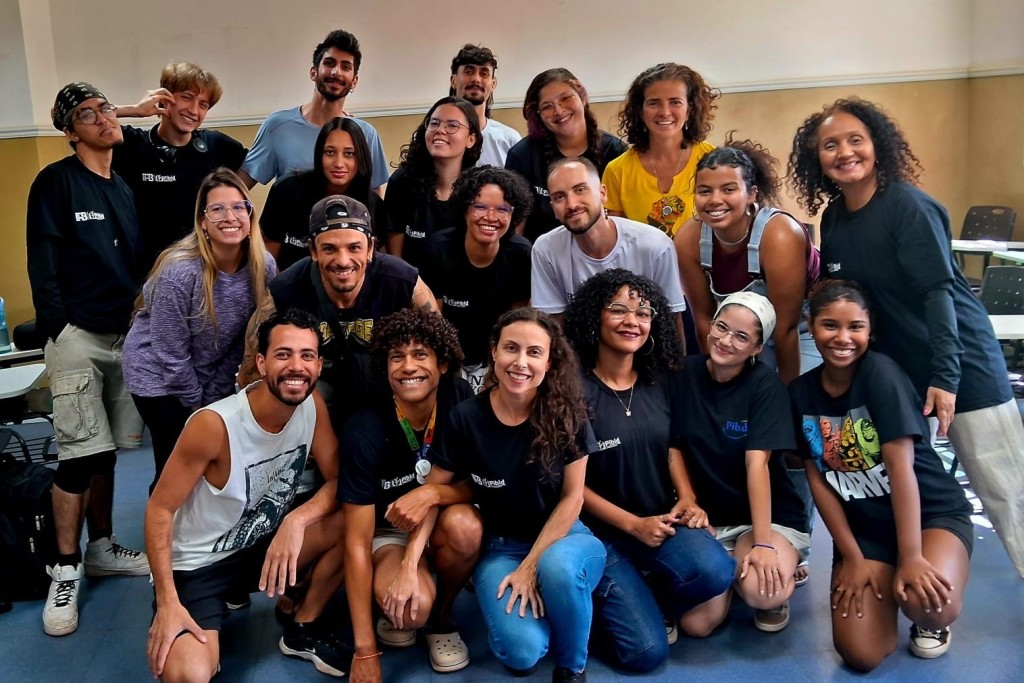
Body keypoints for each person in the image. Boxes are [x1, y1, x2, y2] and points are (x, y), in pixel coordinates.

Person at [788, 96, 1024, 578]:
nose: (844, 152)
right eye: (830, 145)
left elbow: (939, 294)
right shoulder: (834, 219)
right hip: (899, 377)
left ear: (878, 144)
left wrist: (946, 378)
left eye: (855, 140)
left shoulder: (909, 207)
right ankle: (916, 581)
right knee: (914, 484)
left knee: (1007, 494)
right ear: (817, 160)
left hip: (961, 368)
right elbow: (847, 299)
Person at [145, 309, 349, 681]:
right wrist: (167, 601)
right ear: (262, 362)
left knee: (353, 516)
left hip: (258, 548)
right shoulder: (213, 425)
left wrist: (295, 520)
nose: (296, 366)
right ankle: (203, 612)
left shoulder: (312, 405)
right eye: (283, 354)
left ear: (319, 366)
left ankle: (301, 627)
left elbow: (340, 481)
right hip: (198, 565)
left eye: (306, 356)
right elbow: (159, 509)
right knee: (189, 675)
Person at [789, 281, 973, 669]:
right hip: (867, 530)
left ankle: (930, 621)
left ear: (870, 330)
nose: (843, 338)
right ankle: (887, 583)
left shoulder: (881, 375)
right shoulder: (801, 392)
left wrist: (912, 557)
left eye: (855, 326)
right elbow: (819, 481)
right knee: (861, 654)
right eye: (830, 325)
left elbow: (901, 472)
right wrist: (852, 557)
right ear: (810, 324)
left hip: (929, 516)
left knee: (929, 604)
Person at [563, 270, 735, 673]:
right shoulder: (572, 390)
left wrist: (687, 498)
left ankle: (642, 590)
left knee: (717, 570)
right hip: (600, 535)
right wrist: (632, 525)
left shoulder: (660, 381)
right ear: (594, 316)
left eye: (643, 313)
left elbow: (672, 446)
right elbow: (570, 486)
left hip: (658, 522)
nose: (632, 321)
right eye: (618, 310)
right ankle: (592, 600)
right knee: (645, 654)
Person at [27, 82, 149, 639]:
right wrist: (59, 327)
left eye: (105, 108)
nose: (103, 118)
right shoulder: (56, 182)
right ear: (70, 131)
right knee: (79, 455)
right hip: (76, 335)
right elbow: (43, 258)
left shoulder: (121, 186)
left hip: (123, 334)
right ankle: (65, 567)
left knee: (107, 453)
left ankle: (101, 547)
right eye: (87, 114)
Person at [427, 308, 606, 682]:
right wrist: (412, 555)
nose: (520, 362)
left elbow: (573, 498)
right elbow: (434, 490)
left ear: (549, 361)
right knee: (521, 653)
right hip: (502, 548)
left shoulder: (567, 413)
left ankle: (572, 667)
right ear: (494, 351)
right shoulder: (465, 417)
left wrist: (530, 568)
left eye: (534, 352)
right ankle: (561, 608)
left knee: (558, 569)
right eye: (511, 348)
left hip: (565, 537)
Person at [339, 309, 478, 680]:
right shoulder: (363, 431)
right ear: (385, 368)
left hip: (443, 524)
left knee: (467, 527)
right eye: (396, 357)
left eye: (420, 354)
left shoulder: (460, 398)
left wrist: (432, 494)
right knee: (409, 611)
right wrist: (365, 650)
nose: (408, 366)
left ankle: (442, 619)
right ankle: (405, 594)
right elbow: (355, 544)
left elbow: (480, 485)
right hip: (390, 533)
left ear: (443, 363)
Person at [124, 168, 276, 493]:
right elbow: (170, 353)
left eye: (238, 207)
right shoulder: (179, 272)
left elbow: (245, 340)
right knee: (177, 465)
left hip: (210, 369)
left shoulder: (263, 267)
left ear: (250, 215)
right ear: (203, 221)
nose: (229, 217)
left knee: (217, 459)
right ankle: (162, 523)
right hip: (158, 375)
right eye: (217, 209)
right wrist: (198, 403)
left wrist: (217, 393)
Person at [670, 292, 810, 634]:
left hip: (766, 519)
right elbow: (673, 445)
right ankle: (733, 569)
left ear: (757, 348)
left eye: (741, 337)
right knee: (697, 626)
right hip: (708, 520)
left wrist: (762, 544)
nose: (726, 340)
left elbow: (756, 466)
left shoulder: (766, 386)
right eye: (721, 327)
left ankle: (771, 562)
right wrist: (688, 498)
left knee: (763, 593)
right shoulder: (682, 374)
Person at [238, 195, 438, 431]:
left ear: (370, 248)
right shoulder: (286, 290)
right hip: (315, 392)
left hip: (385, 388)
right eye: (329, 249)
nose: (343, 261)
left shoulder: (402, 282)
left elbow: (439, 347)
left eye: (354, 248)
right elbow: (252, 368)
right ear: (313, 251)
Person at [675, 135, 820, 384]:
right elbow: (704, 318)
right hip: (744, 333)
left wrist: (788, 395)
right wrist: (718, 383)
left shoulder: (779, 234)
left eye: (728, 189)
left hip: (801, 330)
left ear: (752, 193)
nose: (715, 200)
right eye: (704, 191)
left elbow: (786, 329)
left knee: (783, 392)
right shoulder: (689, 239)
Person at [532, 157, 687, 348]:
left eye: (580, 190)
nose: (571, 204)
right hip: (580, 354)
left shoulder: (655, 245)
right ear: (553, 208)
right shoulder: (546, 249)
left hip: (644, 352)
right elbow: (555, 327)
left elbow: (672, 322)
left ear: (603, 193)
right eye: (559, 197)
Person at [112, 61, 247, 269]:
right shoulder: (131, 143)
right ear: (164, 97)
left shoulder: (215, 145)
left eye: (203, 104)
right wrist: (134, 110)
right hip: (144, 268)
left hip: (202, 266)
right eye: (186, 97)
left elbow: (255, 168)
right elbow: (73, 115)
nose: (194, 110)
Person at [419, 166, 533, 391]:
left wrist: (495, 371)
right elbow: (433, 322)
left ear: (514, 214)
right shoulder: (438, 250)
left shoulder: (521, 255)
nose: (491, 217)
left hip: (497, 358)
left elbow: (516, 322)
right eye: (480, 207)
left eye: (502, 209)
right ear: (464, 210)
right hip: (448, 356)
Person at [238, 29, 388, 191]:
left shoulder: (366, 134)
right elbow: (239, 187)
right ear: (313, 72)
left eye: (345, 67)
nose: (336, 72)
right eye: (329, 63)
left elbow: (374, 197)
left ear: (354, 81)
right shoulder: (277, 126)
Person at [505, 68, 627, 242]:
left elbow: (623, 224)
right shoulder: (522, 155)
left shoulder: (615, 152)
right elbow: (515, 227)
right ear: (538, 115)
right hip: (540, 253)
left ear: (582, 97)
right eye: (547, 106)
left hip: (602, 252)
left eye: (566, 98)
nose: (559, 110)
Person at [603, 63, 717, 239]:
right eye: (654, 103)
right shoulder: (617, 171)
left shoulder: (714, 160)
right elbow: (616, 241)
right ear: (641, 111)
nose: (665, 112)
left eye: (675, 102)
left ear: (689, 110)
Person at [260, 117, 386, 269]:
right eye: (330, 152)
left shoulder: (373, 205)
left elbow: (380, 264)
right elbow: (268, 260)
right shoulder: (287, 190)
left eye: (349, 154)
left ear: (361, 157)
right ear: (319, 154)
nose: (339, 163)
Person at [385, 97, 482, 268]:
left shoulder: (480, 187)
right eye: (434, 123)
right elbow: (397, 259)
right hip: (412, 280)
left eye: (452, 125)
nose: (440, 130)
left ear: (471, 139)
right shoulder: (402, 182)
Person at [448, 44, 522, 167]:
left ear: (493, 84)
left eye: (484, 73)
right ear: (453, 80)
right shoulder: (438, 136)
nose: (476, 79)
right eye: (468, 72)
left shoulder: (510, 140)